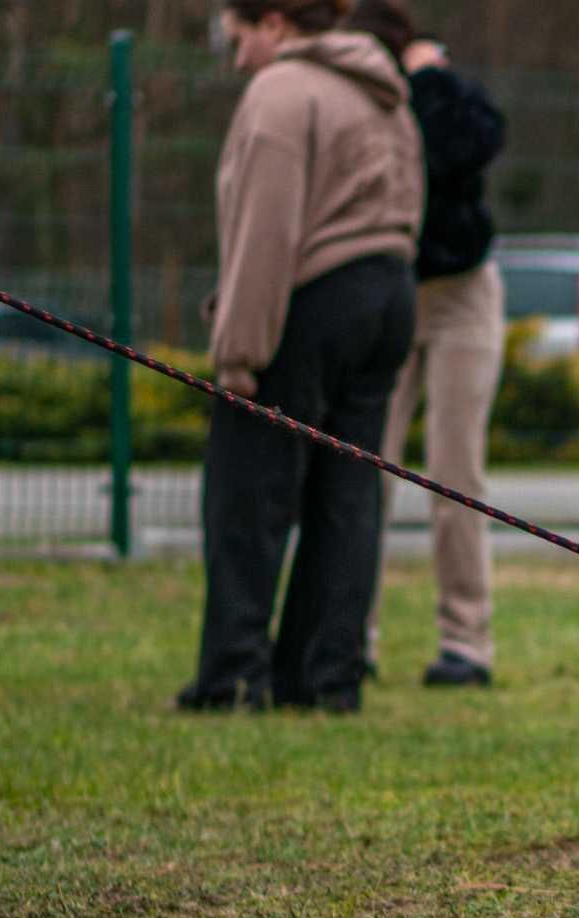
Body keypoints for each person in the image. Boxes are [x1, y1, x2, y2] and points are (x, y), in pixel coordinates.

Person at [177, 0, 423, 713]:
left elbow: (266, 233)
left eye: (241, 38)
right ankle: (324, 678)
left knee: (246, 492)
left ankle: (234, 675)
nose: (238, 57)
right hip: (388, 292)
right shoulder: (385, 92)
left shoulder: (282, 92)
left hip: (311, 298)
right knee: (348, 496)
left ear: (277, 22)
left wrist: (238, 357)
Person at [346, 0, 507, 688]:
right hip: (388, 291)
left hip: (461, 293)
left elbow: (473, 143)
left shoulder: (438, 96)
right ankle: (348, 635)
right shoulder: (351, 101)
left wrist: (427, 78)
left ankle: (465, 644)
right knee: (360, 469)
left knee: (454, 473)